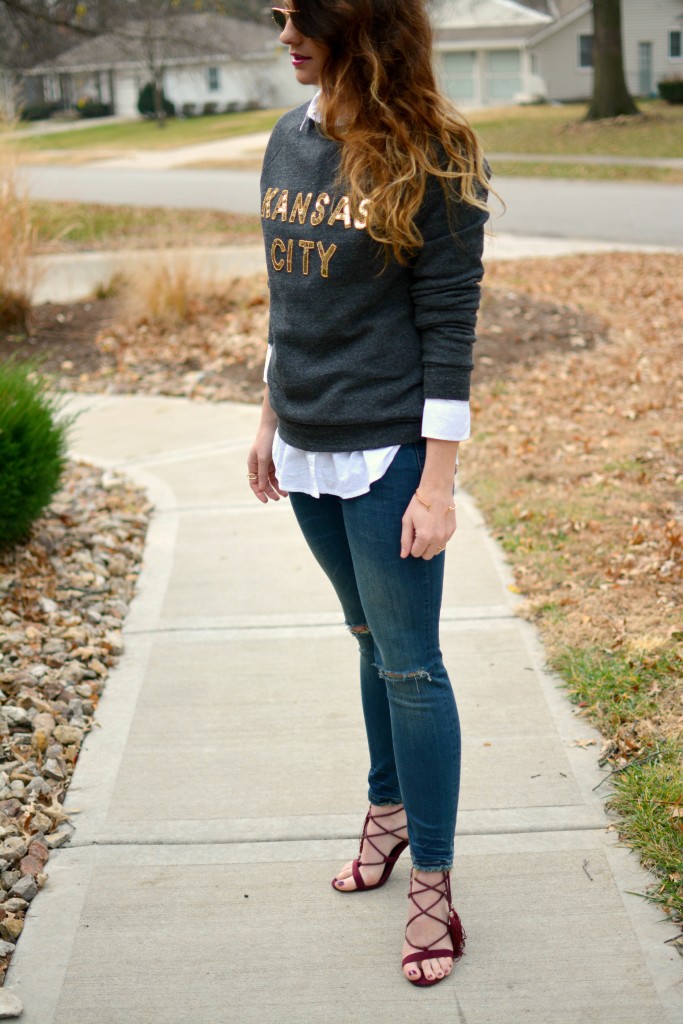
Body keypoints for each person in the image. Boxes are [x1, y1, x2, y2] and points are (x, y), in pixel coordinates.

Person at [247, 0, 490, 987]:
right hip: (306, 443)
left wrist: (436, 483)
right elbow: (287, 295)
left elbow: (448, 327)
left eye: (306, 18)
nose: (287, 37)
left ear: (367, 25)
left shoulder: (434, 152)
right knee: (365, 641)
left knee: (410, 669)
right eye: (280, 16)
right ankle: (383, 811)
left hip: (386, 452)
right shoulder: (285, 139)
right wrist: (268, 418)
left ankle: (431, 881)